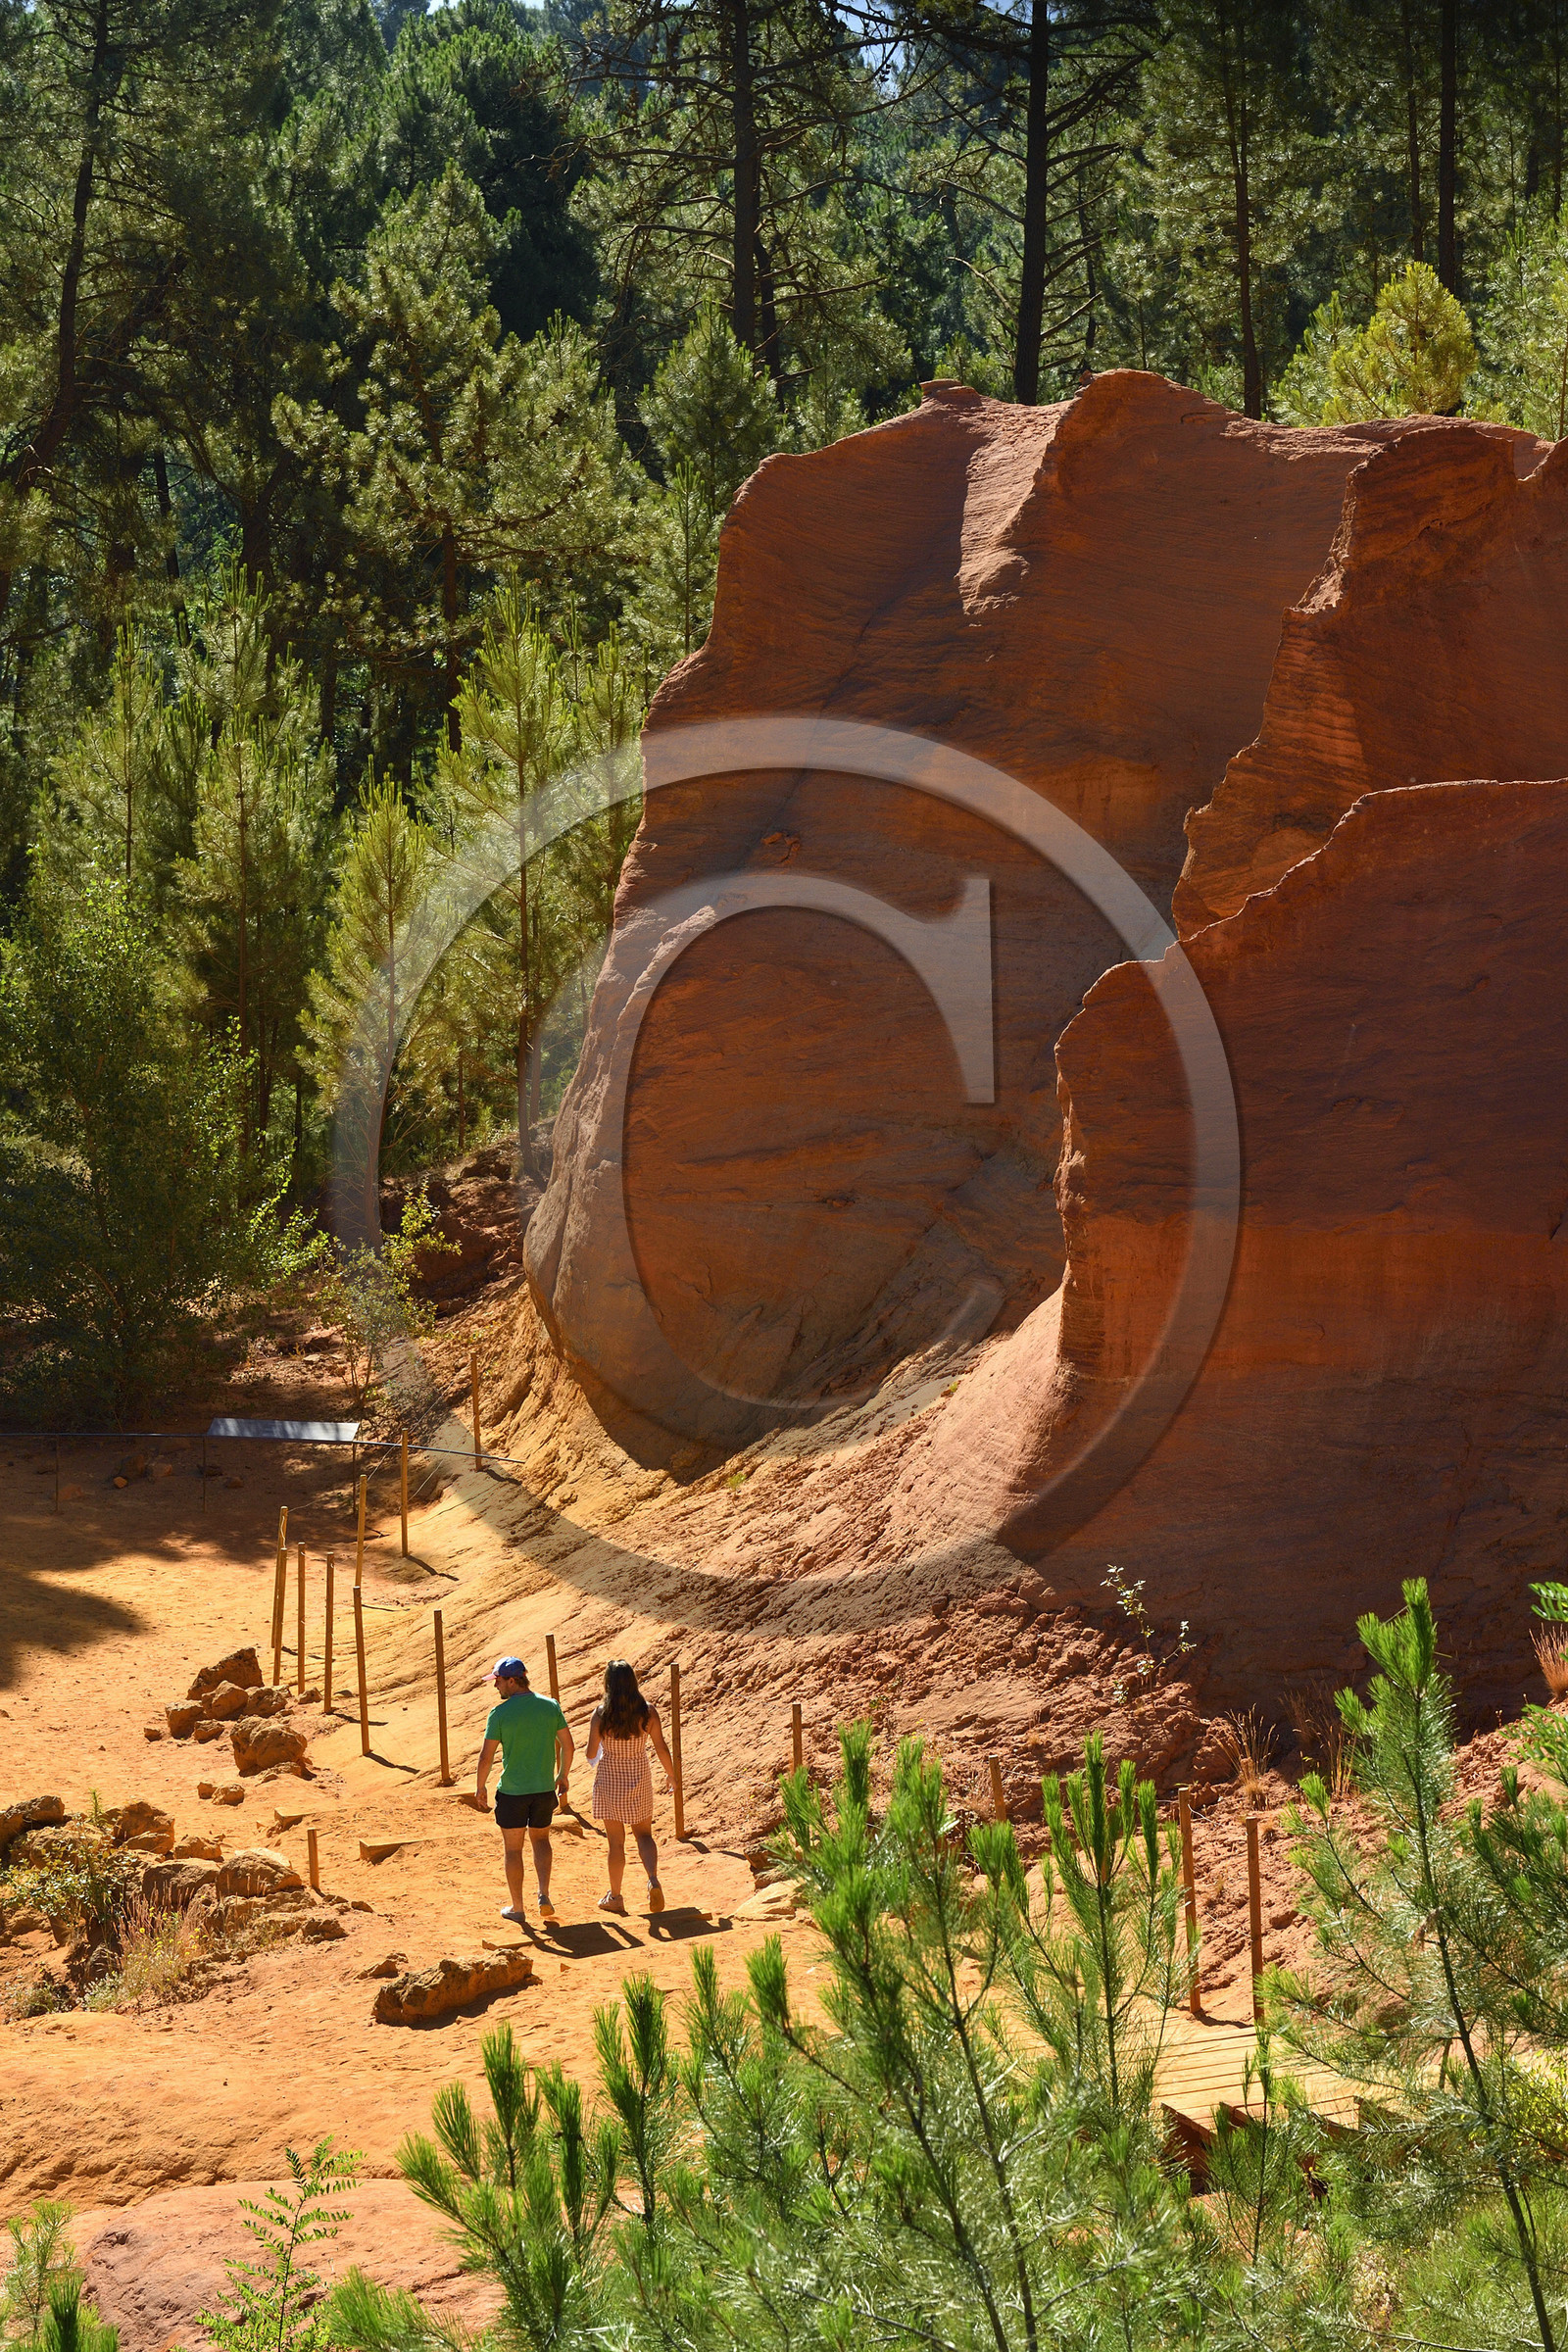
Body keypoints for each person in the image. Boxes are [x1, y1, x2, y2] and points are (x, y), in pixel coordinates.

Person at [474, 1655, 572, 1925]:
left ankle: (518, 1907)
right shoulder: (550, 1706)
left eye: (498, 1682)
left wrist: (480, 1785)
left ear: (512, 1681)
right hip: (543, 1790)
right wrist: (562, 1774)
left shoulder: (499, 1713)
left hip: (513, 1793)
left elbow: (486, 1756)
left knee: (513, 1850)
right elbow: (568, 1745)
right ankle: (543, 1894)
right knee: (541, 1840)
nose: (496, 1687)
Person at [585, 1659, 675, 1915]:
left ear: (608, 1684)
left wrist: (601, 1744)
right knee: (644, 1835)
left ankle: (615, 1896)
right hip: (639, 1778)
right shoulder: (647, 1711)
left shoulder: (602, 1713)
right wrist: (671, 1776)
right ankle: (653, 1880)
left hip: (610, 1781)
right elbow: (661, 1747)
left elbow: (591, 1752)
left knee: (616, 1843)